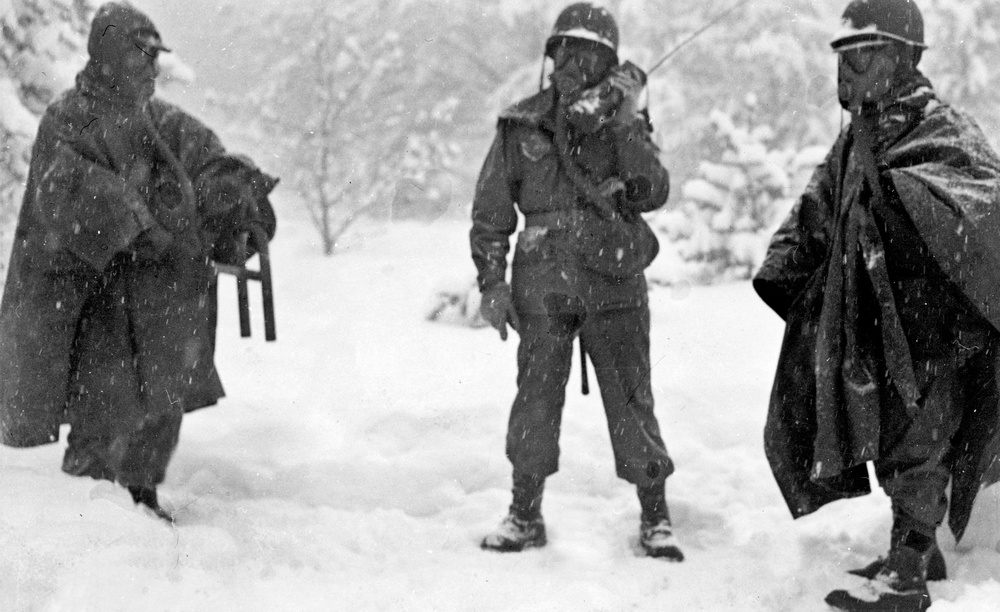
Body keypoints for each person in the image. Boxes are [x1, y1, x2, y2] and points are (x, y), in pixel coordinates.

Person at [754, 0, 1000, 609]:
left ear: (905, 58)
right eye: (844, 57)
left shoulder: (942, 128)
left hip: (933, 323)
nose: (849, 72)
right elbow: (820, 209)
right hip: (875, 319)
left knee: (921, 437)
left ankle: (909, 573)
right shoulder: (859, 134)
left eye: (864, 57)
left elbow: (982, 207)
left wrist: (907, 205)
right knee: (890, 432)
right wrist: (788, 268)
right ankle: (916, 550)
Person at [0, 2, 277, 521]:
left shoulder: (161, 119)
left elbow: (209, 160)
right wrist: (140, 224)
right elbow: (68, 191)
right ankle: (93, 515)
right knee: (105, 402)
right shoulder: (68, 118)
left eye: (155, 57)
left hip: (160, 301)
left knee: (160, 400)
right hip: (97, 297)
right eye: (141, 56)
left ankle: (141, 498)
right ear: (109, 55)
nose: (152, 68)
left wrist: (235, 195)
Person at [470, 2, 681, 560]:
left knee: (633, 400)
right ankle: (524, 512)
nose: (572, 62)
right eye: (564, 50)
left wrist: (625, 118)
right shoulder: (522, 124)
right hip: (543, 284)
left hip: (614, 279)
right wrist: (492, 284)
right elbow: (491, 213)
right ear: (551, 56)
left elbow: (653, 192)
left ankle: (656, 516)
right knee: (535, 401)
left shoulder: (624, 122)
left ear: (606, 65)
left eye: (587, 54)